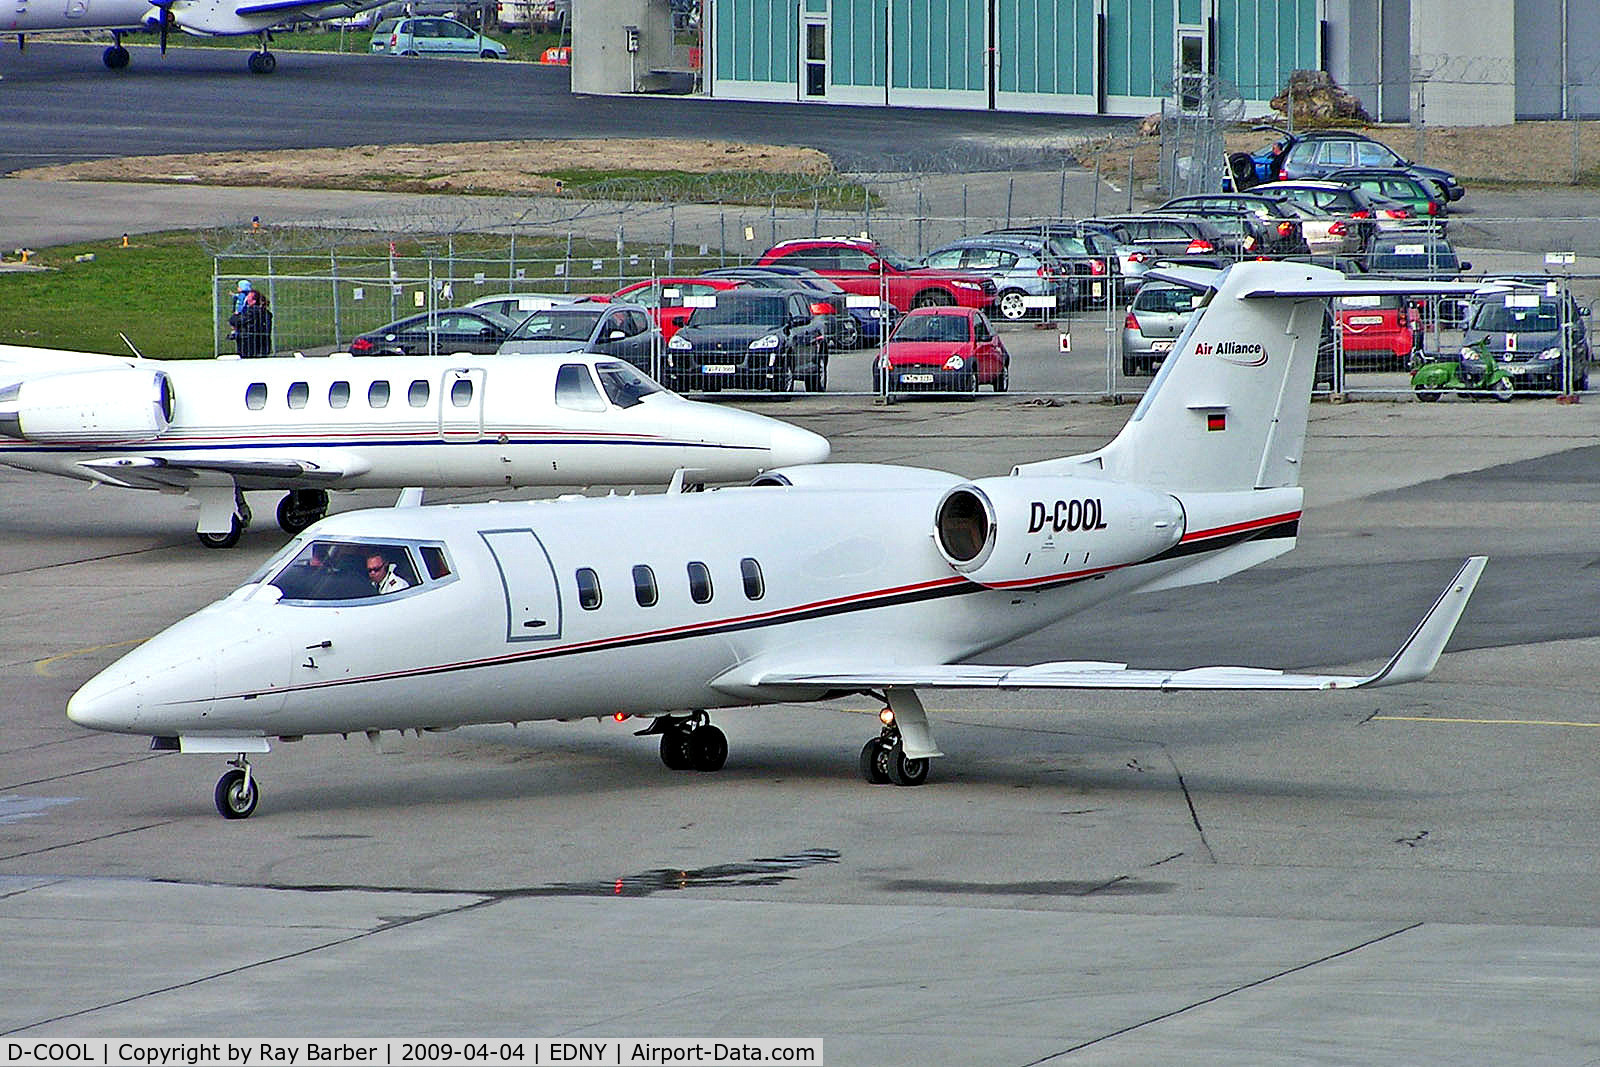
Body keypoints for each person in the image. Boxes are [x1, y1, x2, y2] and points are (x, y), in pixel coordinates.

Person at [229, 289, 273, 358]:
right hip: (263, 345)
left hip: (248, 345)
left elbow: (235, 321)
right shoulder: (266, 313)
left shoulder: (251, 312)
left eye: (248, 298)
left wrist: (236, 314)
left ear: (253, 301)